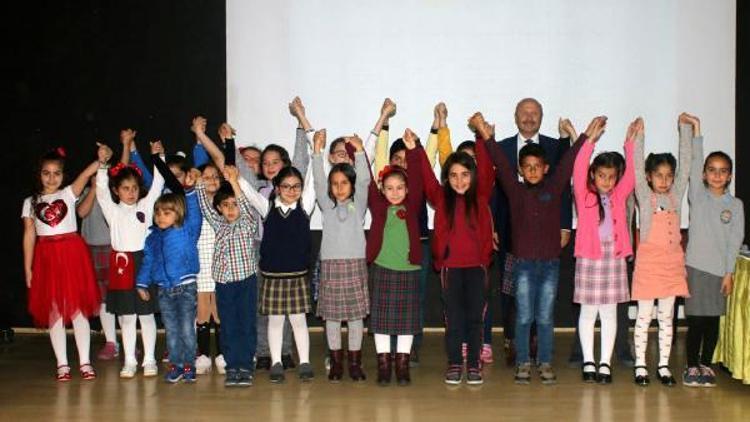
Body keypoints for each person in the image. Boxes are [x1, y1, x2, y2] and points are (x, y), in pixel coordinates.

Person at [485, 113, 605, 385]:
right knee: (524, 315)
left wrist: (586, 136)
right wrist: (487, 137)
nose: (532, 171)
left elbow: (568, 162)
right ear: (521, 170)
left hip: (550, 263)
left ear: (546, 168)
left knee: (545, 317)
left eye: (537, 166)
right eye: (526, 167)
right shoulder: (515, 192)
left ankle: (546, 361)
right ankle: (523, 362)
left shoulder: (554, 186)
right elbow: (501, 166)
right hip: (523, 264)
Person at [493, 98, 573, 366]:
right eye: (524, 113)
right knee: (511, 288)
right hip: (508, 230)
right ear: (515, 117)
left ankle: (537, 343)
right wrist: (492, 225)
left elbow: (563, 189)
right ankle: (513, 342)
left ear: (541, 117)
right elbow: (495, 192)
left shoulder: (553, 146)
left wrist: (564, 224)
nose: (529, 117)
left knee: (542, 296)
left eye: (534, 113)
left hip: (546, 233)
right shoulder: (503, 148)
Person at [419, 112, 495, 385]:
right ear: (446, 178)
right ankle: (454, 363)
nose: (460, 180)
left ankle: (473, 365)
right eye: (453, 175)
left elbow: (486, 168)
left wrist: (481, 135)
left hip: (476, 268)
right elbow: (427, 177)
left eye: (465, 175)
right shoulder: (440, 198)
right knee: (454, 320)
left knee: (475, 318)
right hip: (451, 268)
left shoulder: (482, 193)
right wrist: (416, 148)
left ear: (473, 176)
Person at [22, 146, 105, 381]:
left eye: (56, 173)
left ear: (63, 175)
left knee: (79, 310)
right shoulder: (30, 201)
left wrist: (100, 158)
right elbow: (29, 235)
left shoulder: (69, 193)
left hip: (71, 255)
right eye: (46, 173)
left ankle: (86, 362)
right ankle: (62, 364)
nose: (51, 178)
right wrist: (28, 268)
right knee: (54, 312)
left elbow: (87, 174)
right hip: (46, 257)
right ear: (39, 175)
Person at [572, 117, 639, 384]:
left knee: (610, 313)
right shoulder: (584, 193)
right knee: (588, 312)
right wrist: (590, 141)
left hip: (613, 258)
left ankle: (604, 364)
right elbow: (578, 167)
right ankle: (589, 361)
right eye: (601, 175)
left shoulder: (618, 195)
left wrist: (630, 145)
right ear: (593, 175)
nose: (607, 181)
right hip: (590, 258)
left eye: (611, 177)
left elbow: (632, 176)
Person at [682, 113, 744, 387]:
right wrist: (697, 129)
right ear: (704, 174)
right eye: (712, 169)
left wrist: (729, 273)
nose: (717, 175)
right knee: (695, 322)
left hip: (720, 272)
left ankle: (706, 364)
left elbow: (734, 241)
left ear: (729, 175)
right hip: (696, 269)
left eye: (723, 170)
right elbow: (695, 161)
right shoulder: (697, 195)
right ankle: (691, 366)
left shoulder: (736, 205)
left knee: (712, 323)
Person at [631, 115, 692, 387]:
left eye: (669, 175)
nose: (665, 180)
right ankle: (641, 365)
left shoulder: (676, 196)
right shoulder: (645, 197)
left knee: (667, 318)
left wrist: (685, 130)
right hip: (648, 265)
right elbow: (634, 167)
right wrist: (639, 137)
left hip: (671, 266)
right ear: (649, 177)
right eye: (659, 175)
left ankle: (664, 365)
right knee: (644, 317)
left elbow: (687, 166)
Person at [96, 141, 165, 378]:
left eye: (134, 187)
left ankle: (149, 360)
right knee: (127, 318)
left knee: (146, 315)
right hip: (122, 266)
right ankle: (129, 361)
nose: (130, 192)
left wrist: (159, 158)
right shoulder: (112, 210)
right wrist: (103, 165)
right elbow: (101, 193)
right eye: (125, 188)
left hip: (143, 265)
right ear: (117, 190)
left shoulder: (146, 206)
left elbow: (158, 184)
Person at [312, 129, 371, 382]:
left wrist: (359, 151)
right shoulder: (326, 205)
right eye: (334, 184)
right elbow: (316, 181)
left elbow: (365, 181)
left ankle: (355, 363)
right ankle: (336, 362)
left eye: (344, 183)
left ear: (352, 184)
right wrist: (316, 152)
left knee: (356, 317)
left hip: (354, 266)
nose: (339, 188)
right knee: (333, 318)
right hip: (331, 267)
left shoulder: (358, 205)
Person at [367, 128, 424, 386]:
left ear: (407, 188)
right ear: (382, 188)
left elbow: (419, 180)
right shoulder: (379, 207)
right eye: (389, 188)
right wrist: (356, 151)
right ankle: (384, 363)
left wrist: (413, 151)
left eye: (400, 187)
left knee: (406, 321)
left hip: (408, 269)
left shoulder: (411, 206)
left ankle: (402, 364)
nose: (395, 192)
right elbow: (366, 183)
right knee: (380, 320)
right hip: (382, 268)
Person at [196, 165, 259, 387]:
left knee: (246, 323)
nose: (231, 209)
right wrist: (198, 182)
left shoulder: (248, 223)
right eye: (225, 205)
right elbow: (204, 204)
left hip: (246, 282)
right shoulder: (218, 224)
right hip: (224, 284)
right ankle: (233, 366)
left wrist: (233, 181)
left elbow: (244, 204)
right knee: (229, 325)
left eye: (234, 205)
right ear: (219, 208)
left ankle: (245, 365)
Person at [136, 173, 202, 383]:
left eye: (167, 213)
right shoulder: (152, 237)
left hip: (185, 287)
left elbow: (196, 216)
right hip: (164, 289)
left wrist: (190, 192)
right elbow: (148, 261)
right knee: (172, 330)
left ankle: (190, 364)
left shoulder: (186, 230)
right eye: (158, 213)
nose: (161, 217)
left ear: (178, 214)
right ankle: (177, 365)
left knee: (186, 328)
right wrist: (142, 283)